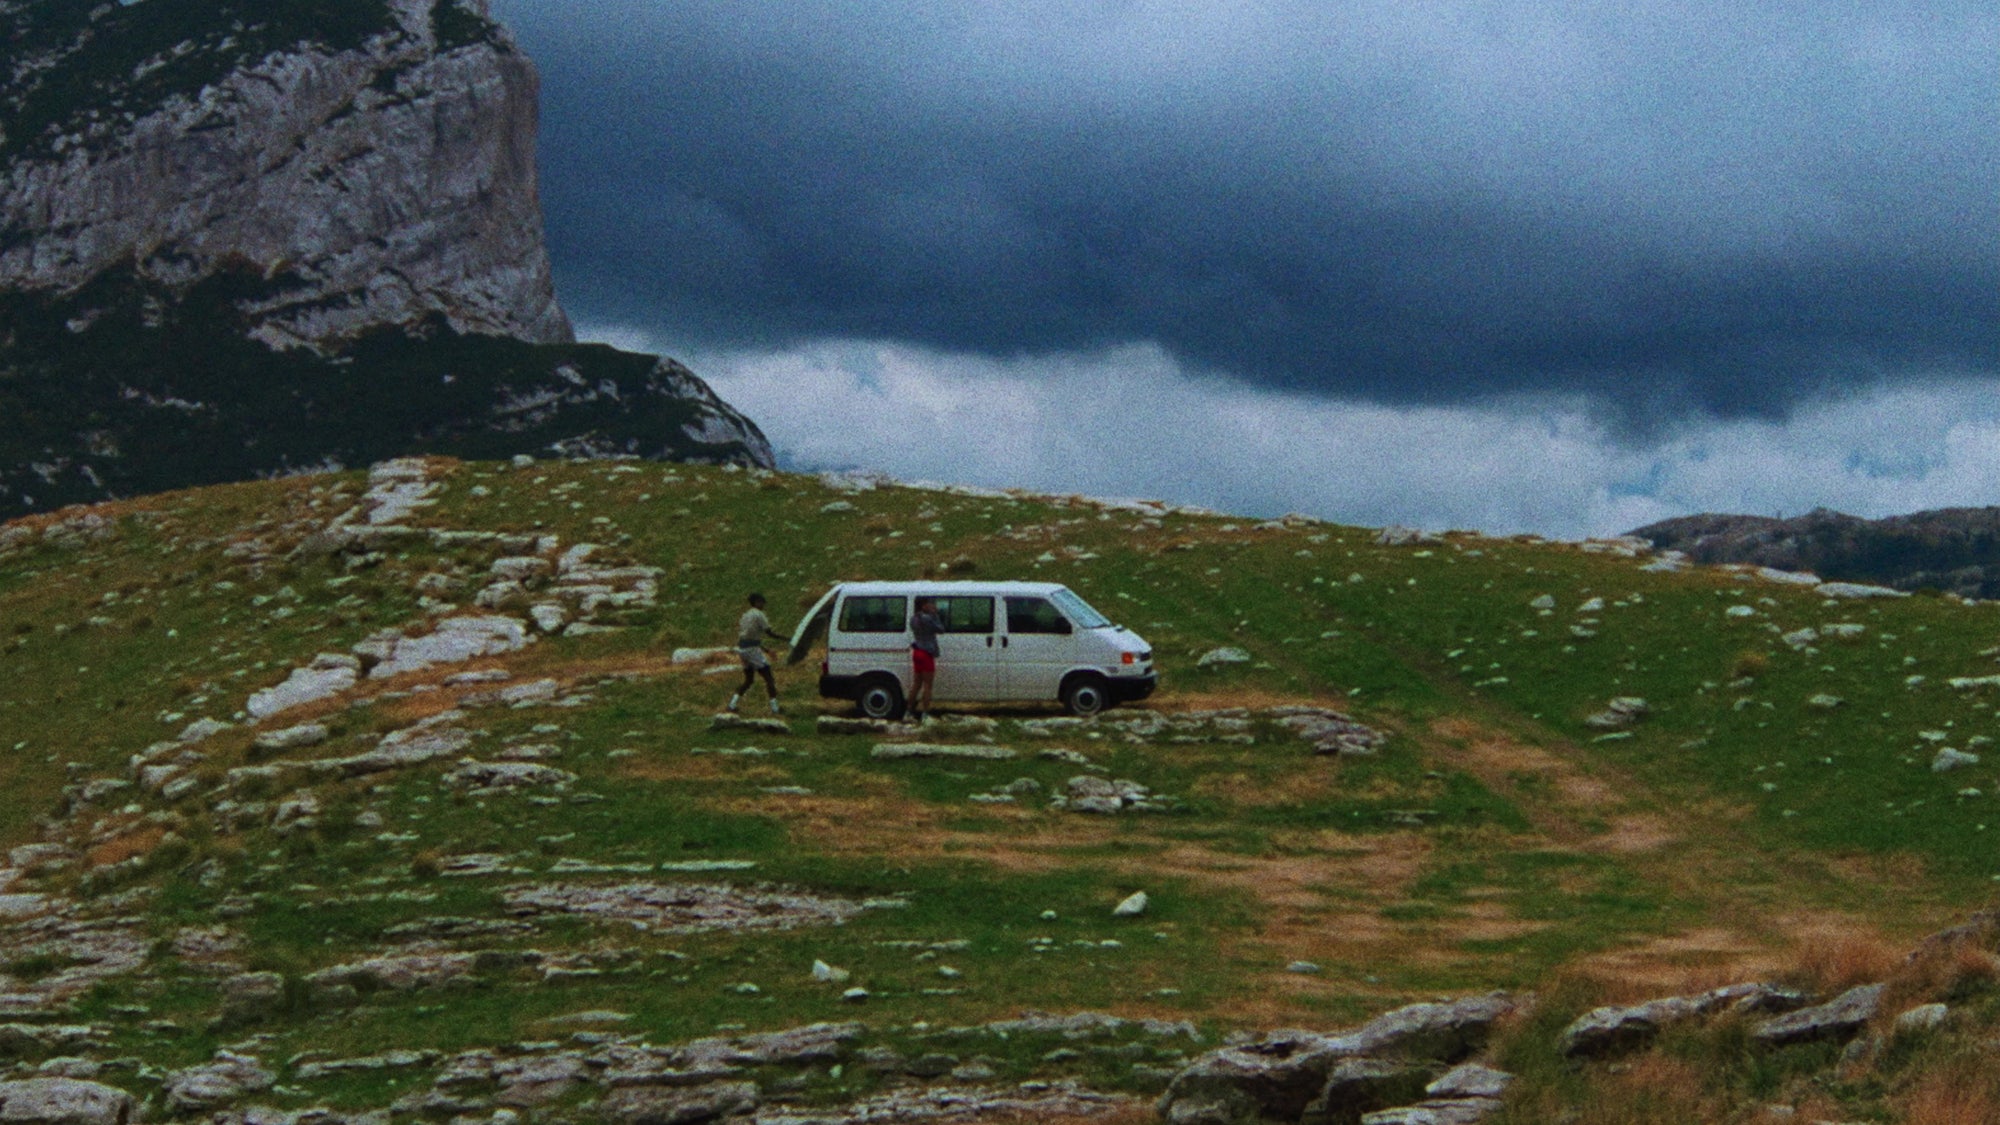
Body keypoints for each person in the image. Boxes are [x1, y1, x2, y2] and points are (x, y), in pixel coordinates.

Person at [728, 593, 781, 714]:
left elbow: (748, 637)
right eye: (762, 602)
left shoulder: (745, 615)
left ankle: (732, 704)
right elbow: (769, 632)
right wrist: (787, 639)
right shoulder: (759, 615)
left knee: (749, 680)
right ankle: (775, 708)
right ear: (757, 602)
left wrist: (766, 650)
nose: (763, 605)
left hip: (743, 649)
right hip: (753, 650)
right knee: (769, 678)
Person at [909, 595, 942, 722]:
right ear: (924, 606)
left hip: (917, 651)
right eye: (930, 604)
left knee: (916, 684)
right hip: (927, 652)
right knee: (928, 685)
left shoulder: (914, 619)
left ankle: (909, 710)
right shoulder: (928, 619)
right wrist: (935, 615)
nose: (933, 606)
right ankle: (925, 713)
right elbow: (941, 629)